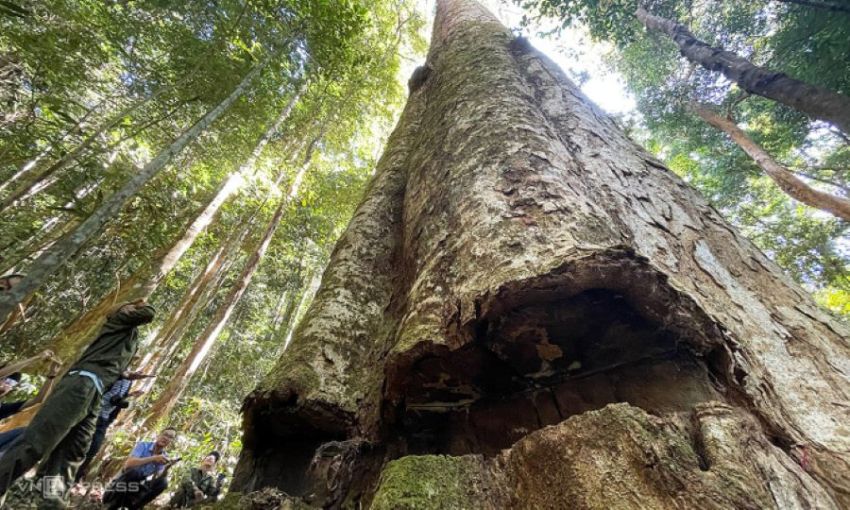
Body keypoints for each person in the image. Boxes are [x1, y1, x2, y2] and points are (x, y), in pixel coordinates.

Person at [0, 299, 156, 508]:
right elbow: (148, 313)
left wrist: (125, 374)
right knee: (36, 443)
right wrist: (135, 303)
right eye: (130, 308)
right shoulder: (119, 318)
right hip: (80, 385)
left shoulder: (127, 334)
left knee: (73, 452)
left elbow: (107, 360)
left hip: (94, 392)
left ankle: (51, 502)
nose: (135, 309)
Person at [74, 371, 150, 482]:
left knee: (93, 448)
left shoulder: (128, 383)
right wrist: (124, 376)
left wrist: (131, 396)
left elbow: (117, 400)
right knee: (78, 442)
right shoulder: (116, 375)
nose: (138, 374)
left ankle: (75, 477)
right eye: (136, 373)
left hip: (103, 419)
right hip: (92, 413)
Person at [102, 427, 177, 510]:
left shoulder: (164, 456)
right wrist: (153, 458)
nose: (166, 438)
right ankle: (113, 504)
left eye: (170, 437)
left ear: (171, 441)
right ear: (159, 435)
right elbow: (128, 464)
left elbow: (158, 477)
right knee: (135, 472)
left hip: (138, 487)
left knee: (163, 482)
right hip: (121, 484)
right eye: (165, 434)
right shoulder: (143, 445)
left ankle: (136, 507)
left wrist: (166, 469)